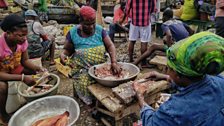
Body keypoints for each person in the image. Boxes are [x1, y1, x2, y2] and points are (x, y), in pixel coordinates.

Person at [133, 32, 224, 126]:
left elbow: (151, 123)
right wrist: (166, 77)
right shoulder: (220, 81)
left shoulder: (174, 110)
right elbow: (192, 84)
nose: (166, 71)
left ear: (178, 75)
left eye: (168, 68)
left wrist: (140, 97)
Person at [60, 6, 121, 105]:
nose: (91, 27)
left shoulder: (100, 30)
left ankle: (105, 102)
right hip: (83, 69)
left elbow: (110, 46)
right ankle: (91, 103)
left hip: (101, 66)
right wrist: (63, 54)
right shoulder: (73, 33)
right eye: (87, 24)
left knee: (115, 78)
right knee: (84, 83)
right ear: (80, 21)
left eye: (93, 23)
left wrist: (114, 62)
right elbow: (67, 50)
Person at [0, 14, 46, 124]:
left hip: (15, 68)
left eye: (25, 35)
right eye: (20, 35)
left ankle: (34, 97)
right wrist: (23, 77)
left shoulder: (22, 42)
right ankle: (3, 114)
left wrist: (38, 68)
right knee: (1, 87)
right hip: (3, 72)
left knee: (37, 74)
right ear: (9, 33)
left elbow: (25, 61)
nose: (24, 38)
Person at [124, 0, 156, 66]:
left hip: (134, 22)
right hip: (146, 21)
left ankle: (131, 60)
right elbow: (153, 9)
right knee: (144, 42)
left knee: (132, 40)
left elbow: (127, 9)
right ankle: (143, 62)